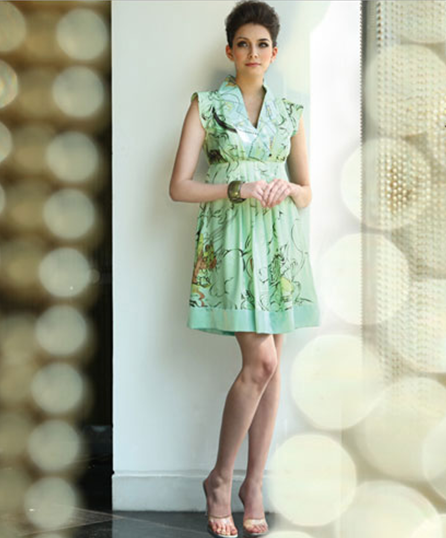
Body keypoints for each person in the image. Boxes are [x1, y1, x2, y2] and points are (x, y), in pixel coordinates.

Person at [169, 1, 320, 536]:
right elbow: (179, 186)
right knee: (261, 363)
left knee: (272, 367)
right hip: (230, 241)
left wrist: (288, 187)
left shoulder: (291, 112)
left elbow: (307, 192)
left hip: (280, 246)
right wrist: (238, 187)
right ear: (229, 50)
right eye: (243, 44)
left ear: (274, 53)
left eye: (262, 45)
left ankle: (253, 486)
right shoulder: (207, 106)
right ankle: (219, 479)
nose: (253, 53)